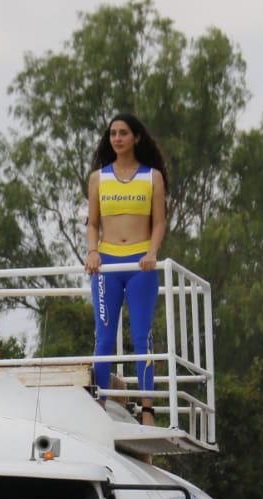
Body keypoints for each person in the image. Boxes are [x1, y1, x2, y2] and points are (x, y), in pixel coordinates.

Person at [84, 113, 168, 427]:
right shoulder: (98, 178)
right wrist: (93, 252)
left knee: (141, 336)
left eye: (123, 133)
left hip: (139, 264)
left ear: (136, 137)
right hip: (107, 264)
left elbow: (159, 222)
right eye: (112, 134)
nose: (117, 139)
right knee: (104, 337)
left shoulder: (152, 177)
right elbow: (92, 223)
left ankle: (148, 409)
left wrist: (152, 252)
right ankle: (99, 404)